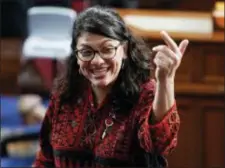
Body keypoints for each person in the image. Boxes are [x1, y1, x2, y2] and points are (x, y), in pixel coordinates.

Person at [32, 6, 189, 167]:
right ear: (76, 55)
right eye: (86, 52)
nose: (97, 61)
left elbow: (160, 143)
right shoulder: (65, 95)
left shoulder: (144, 94)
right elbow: (45, 159)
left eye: (107, 50)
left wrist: (166, 80)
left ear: (125, 50)